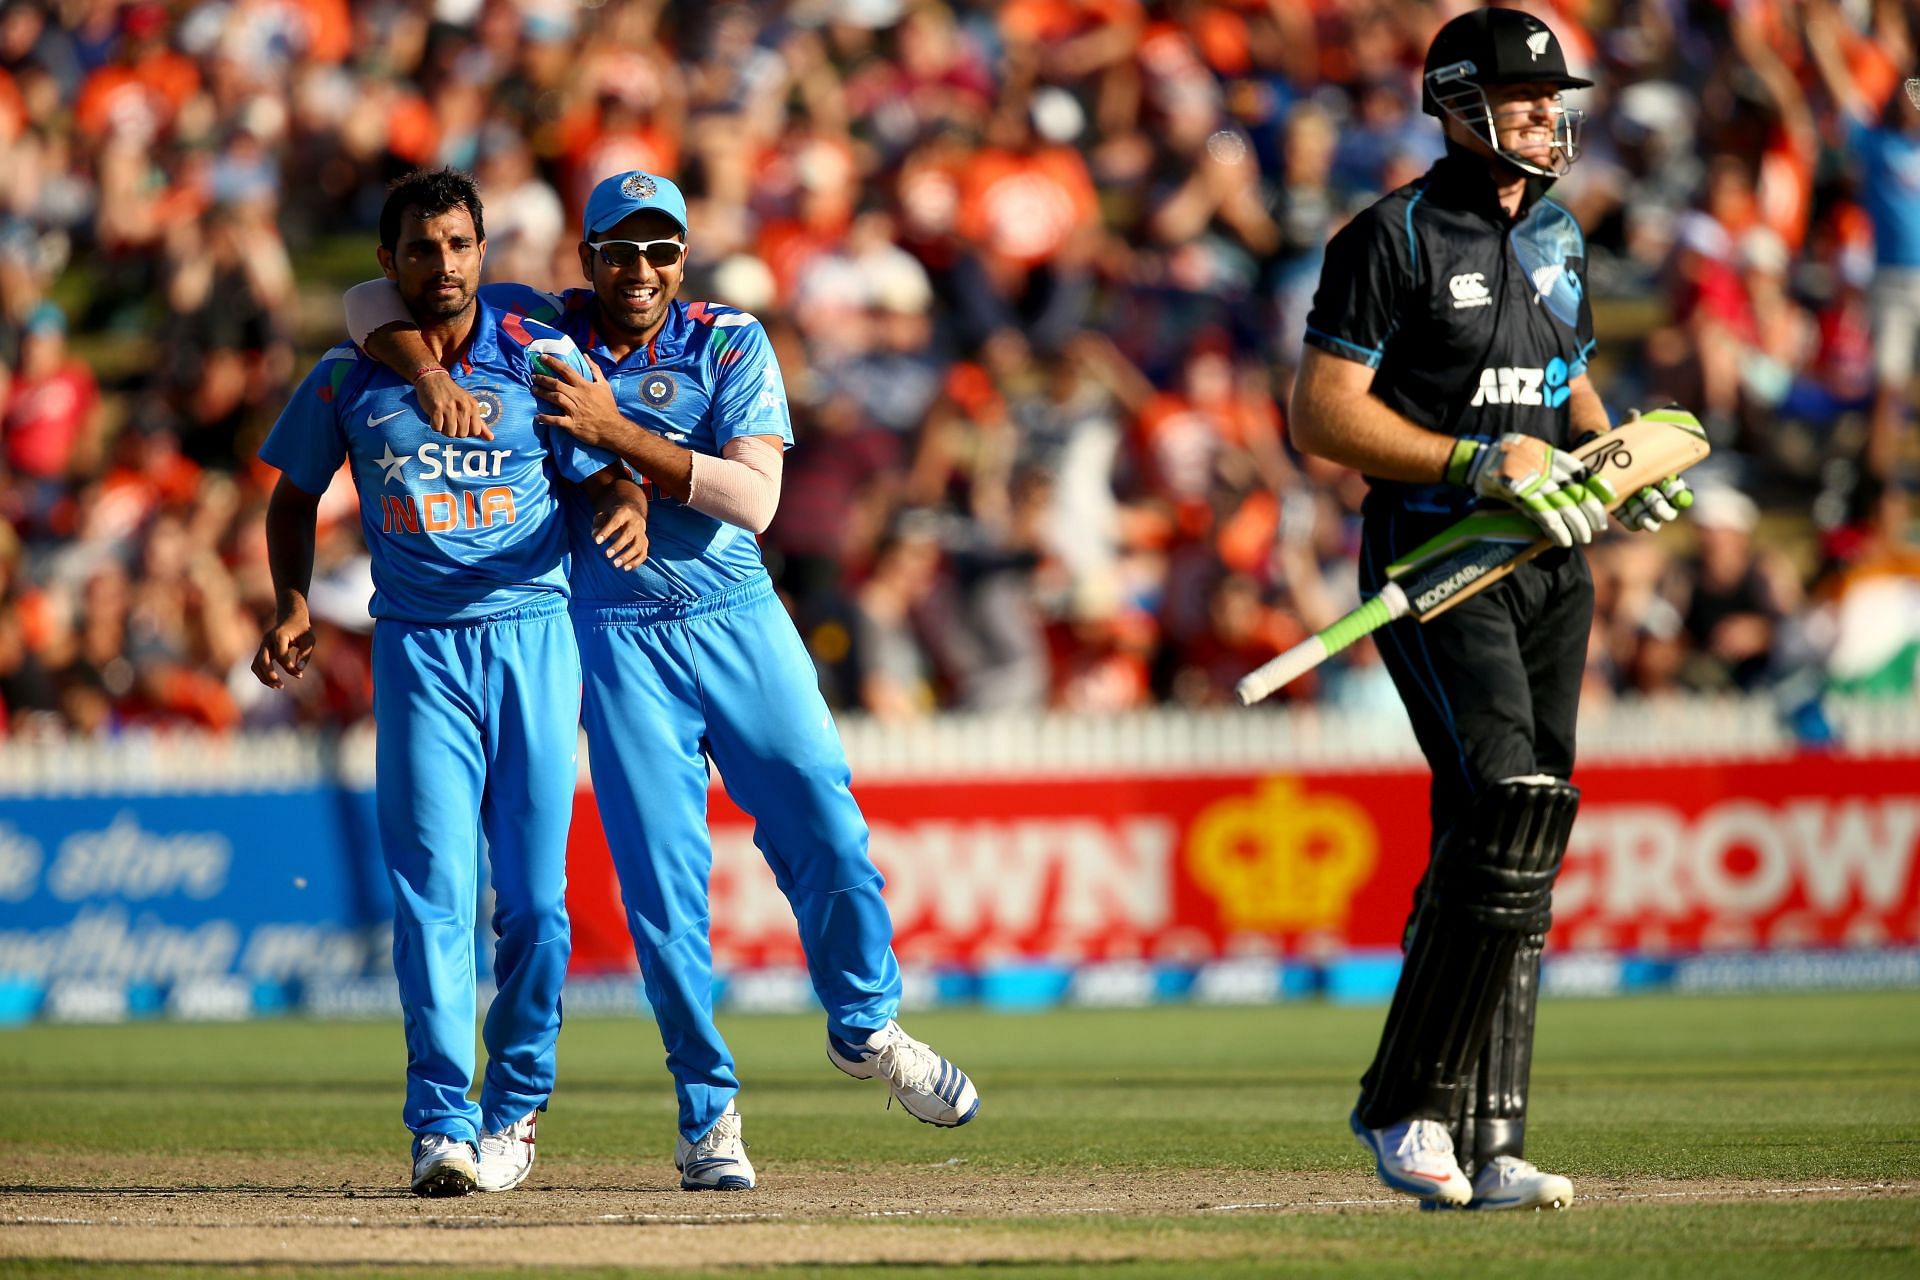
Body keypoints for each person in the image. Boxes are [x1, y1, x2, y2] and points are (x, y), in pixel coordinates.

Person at [341, 169, 978, 1193]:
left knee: (826, 823)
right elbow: (368, 302)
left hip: (738, 615)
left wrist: (617, 436)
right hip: (613, 633)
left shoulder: (729, 338)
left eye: (660, 250)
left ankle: (867, 1024)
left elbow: (756, 499)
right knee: (663, 894)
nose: (640, 270)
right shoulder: (537, 324)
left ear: (684, 257)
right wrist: (425, 373)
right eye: (619, 251)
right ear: (587, 258)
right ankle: (706, 1110)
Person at [1287, 10, 1690, 1212]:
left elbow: (1564, 386)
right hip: (1436, 549)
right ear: (1459, 103)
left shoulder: (1562, 231)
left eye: (1553, 96)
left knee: (1522, 825)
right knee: (1507, 802)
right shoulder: (1391, 235)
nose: (1547, 114)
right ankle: (1406, 1102)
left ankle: (1491, 1130)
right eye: (1523, 97)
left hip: (1552, 558)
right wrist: (1474, 460)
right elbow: (1321, 416)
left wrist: (1618, 459)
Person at [253, 168, 647, 1199]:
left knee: (538, 907)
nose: (443, 265)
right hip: (419, 649)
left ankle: (515, 1102)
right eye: (421, 249)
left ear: (484, 252)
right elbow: (292, 502)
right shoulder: (345, 380)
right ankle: (440, 1121)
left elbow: (597, 459)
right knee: (433, 895)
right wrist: (293, 601)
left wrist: (624, 499)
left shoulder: (532, 352)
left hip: (531, 639)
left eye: (460, 245)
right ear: (389, 263)